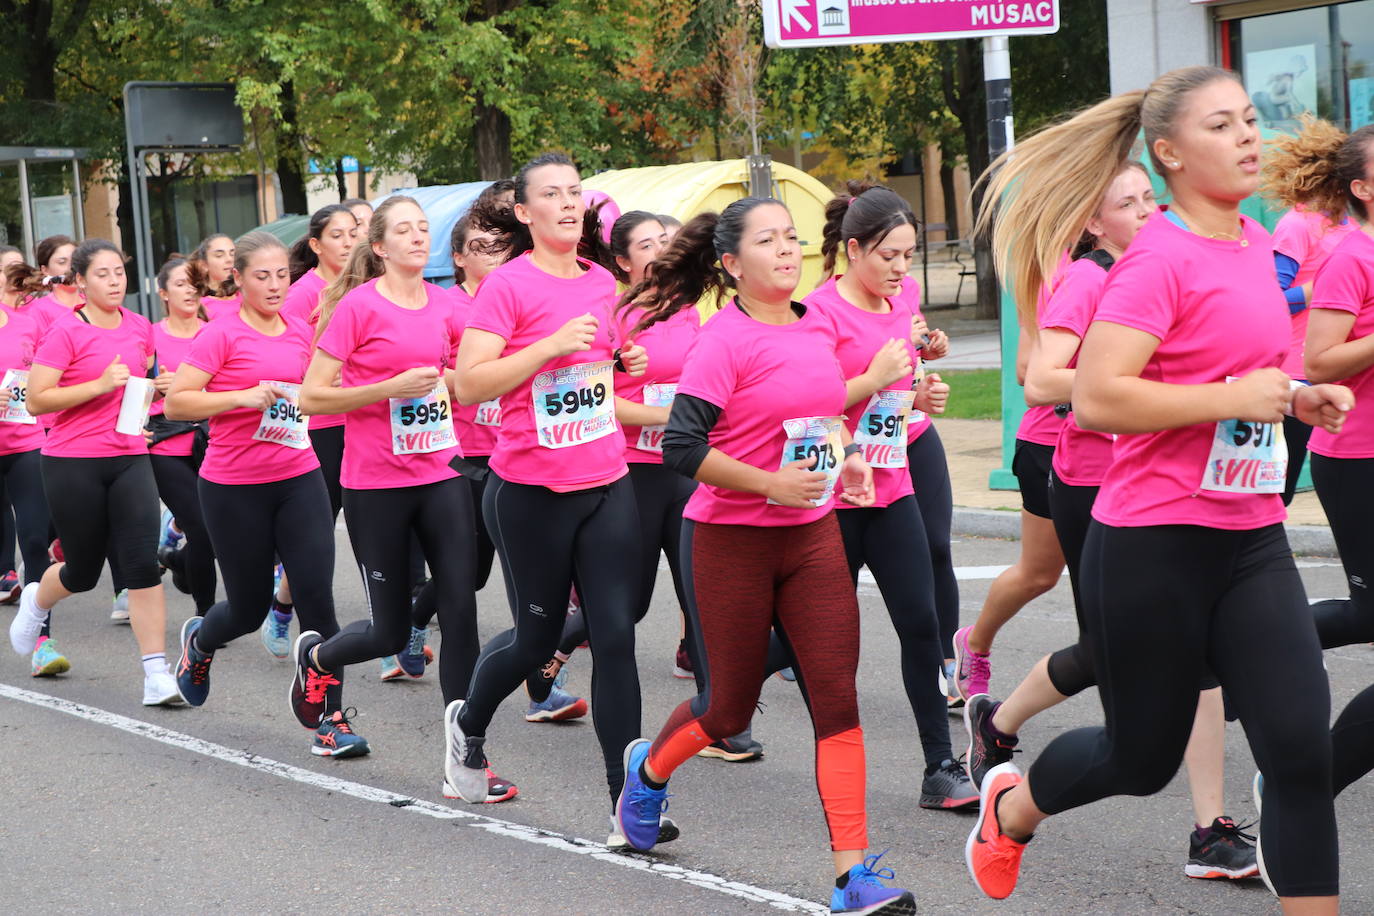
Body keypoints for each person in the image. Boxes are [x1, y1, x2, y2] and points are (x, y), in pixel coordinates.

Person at [962, 67, 1347, 914]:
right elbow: (1097, 396)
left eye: (1250, 119)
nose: (1248, 136)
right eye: (1222, 126)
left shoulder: (1252, 243)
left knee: (1299, 754)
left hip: (1250, 538)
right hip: (1152, 544)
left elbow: (1250, 367)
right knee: (1140, 762)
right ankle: (1012, 807)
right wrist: (1233, 399)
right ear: (1169, 152)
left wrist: (1295, 395)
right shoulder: (1155, 258)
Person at [610, 196, 917, 915]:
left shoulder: (816, 328)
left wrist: (844, 461)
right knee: (727, 710)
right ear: (730, 263)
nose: (786, 249)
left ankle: (853, 876)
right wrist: (770, 483)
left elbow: (820, 415)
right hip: (729, 539)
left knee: (836, 698)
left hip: (811, 536)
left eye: (792, 238)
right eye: (768, 240)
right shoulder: (724, 341)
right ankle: (648, 773)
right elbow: (684, 447)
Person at [965, 161, 1258, 881]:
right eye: (1126, 204)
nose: (1144, 212)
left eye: (1147, 199)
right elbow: (1040, 379)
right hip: (1096, 487)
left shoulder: (1168, 267)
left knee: (1195, 658)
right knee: (1115, 657)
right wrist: (1138, 375)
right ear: (1095, 223)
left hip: (1170, 486)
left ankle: (1209, 830)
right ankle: (998, 726)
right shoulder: (1090, 279)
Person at [441, 153, 648, 846]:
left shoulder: (602, 282)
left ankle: (627, 804)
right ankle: (468, 724)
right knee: (534, 639)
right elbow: (469, 386)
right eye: (551, 195)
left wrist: (623, 365)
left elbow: (598, 376)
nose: (567, 203)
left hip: (607, 482)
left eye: (575, 193)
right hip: (530, 492)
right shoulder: (506, 288)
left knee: (614, 637)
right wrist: (550, 346)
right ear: (524, 213)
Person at [296, 196, 506, 788]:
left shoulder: (446, 306)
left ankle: (466, 758)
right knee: (388, 632)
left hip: (441, 474)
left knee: (460, 610)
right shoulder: (358, 308)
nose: (418, 237)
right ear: (381, 247)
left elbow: (479, 373)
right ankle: (317, 658)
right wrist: (387, 388)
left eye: (423, 228)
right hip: (375, 484)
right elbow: (312, 397)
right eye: (404, 230)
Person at [804, 181, 975, 811]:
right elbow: (806, 404)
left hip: (891, 482)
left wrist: (919, 395)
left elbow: (901, 389)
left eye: (908, 256)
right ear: (853, 249)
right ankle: (726, 685)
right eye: (889, 256)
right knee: (815, 634)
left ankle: (940, 767)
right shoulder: (818, 312)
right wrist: (870, 380)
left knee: (921, 623)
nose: (901, 269)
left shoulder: (900, 303)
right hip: (832, 497)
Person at [166, 231, 365, 757]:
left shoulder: (301, 331)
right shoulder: (222, 335)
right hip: (233, 487)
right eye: (262, 276)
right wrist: (241, 397)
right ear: (238, 278)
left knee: (318, 602)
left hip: (298, 475)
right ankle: (201, 642)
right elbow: (177, 405)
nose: (276, 285)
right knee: (249, 609)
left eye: (283, 275)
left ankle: (332, 720)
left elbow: (320, 389)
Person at [13, 239, 182, 705]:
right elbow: (37, 399)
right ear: (81, 283)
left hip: (129, 457)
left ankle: (156, 673)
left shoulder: (141, 327)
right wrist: (98, 384)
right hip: (72, 462)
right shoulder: (66, 332)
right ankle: (37, 599)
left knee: (142, 564)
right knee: (83, 572)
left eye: (119, 272)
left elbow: (138, 388)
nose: (114, 281)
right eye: (103, 274)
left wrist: (157, 390)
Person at [1273, 119, 1374, 805]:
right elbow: (1319, 360)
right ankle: (1302, 788)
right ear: (1364, 187)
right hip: (1357, 454)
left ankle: (1254, 637)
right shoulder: (1352, 257)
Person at [261, 203, 359, 658]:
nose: (348, 241)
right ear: (317, 245)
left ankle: (388, 636)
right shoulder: (303, 294)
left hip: (366, 419)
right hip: (319, 425)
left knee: (371, 531)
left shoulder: (372, 288)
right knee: (318, 535)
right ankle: (284, 604)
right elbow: (287, 357)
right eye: (337, 235)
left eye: (354, 232)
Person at [1260, 122, 1360, 507]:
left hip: (1343, 366)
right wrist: (1318, 290)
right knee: (1278, 488)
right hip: (1296, 371)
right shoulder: (1296, 224)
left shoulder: (1351, 224)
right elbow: (1269, 298)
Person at [146, 257, 216, 614]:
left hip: (213, 441)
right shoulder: (150, 336)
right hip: (166, 445)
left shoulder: (216, 329)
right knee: (201, 527)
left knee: (217, 530)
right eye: (180, 284)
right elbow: (130, 392)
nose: (189, 290)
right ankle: (206, 616)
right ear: (163, 293)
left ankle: (178, 560)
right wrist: (155, 391)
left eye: (194, 283)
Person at [0, 281, 57, 672]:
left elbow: (49, 381)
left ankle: (42, 641)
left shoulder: (27, 325)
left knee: (36, 538)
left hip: (25, 440)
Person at [190, 234, 240, 320]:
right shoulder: (196, 305)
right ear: (203, 265)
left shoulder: (247, 293)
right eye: (219, 255)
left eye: (232, 254)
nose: (229, 259)